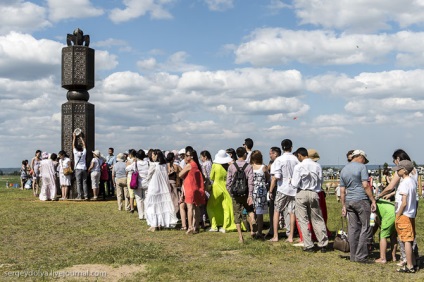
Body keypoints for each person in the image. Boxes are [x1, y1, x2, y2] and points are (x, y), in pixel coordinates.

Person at [379, 149, 420, 268]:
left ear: (398, 159)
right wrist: (391, 194)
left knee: (402, 233)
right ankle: (414, 256)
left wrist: (379, 195)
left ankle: (405, 258)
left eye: (394, 160)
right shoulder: (414, 170)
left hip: (402, 204)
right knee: (411, 232)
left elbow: (391, 186)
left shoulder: (400, 171)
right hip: (413, 202)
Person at [340, 149, 376, 263]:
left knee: (353, 229)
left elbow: (342, 190)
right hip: (361, 199)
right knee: (367, 227)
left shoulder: (344, 169)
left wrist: (343, 205)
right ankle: (361, 256)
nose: (364, 162)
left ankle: (353, 255)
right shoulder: (362, 167)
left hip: (349, 201)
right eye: (364, 159)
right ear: (360, 157)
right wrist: (373, 200)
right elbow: (365, 185)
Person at [291, 147, 328, 252]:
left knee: (303, 220)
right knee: (317, 219)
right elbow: (321, 181)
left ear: (299, 155)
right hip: (314, 192)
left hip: (301, 192)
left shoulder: (299, 166)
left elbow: (294, 183)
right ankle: (323, 243)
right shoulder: (317, 166)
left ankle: (308, 244)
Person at [269, 139, 299, 242]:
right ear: (291, 147)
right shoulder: (295, 159)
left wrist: (271, 190)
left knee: (277, 211)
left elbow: (276, 176)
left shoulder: (279, 160)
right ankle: (290, 236)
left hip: (282, 188)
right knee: (292, 212)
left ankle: (276, 235)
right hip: (294, 189)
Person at [226, 146, 256, 243]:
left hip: (235, 194)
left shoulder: (231, 166)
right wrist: (250, 194)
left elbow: (228, 182)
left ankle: (240, 237)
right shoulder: (249, 166)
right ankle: (252, 226)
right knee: (250, 209)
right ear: (244, 154)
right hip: (246, 193)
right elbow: (251, 181)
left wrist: (230, 191)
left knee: (237, 214)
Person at [392, 160, 417, 273]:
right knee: (410, 239)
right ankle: (414, 262)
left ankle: (409, 265)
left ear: (404, 170)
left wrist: (398, 215)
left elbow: (404, 202)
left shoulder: (404, 183)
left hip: (404, 214)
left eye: (399, 169)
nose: (397, 171)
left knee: (406, 240)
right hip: (411, 214)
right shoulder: (412, 181)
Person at [145, 149, 178, 231]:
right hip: (163, 188)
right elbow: (166, 177)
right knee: (161, 206)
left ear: (156, 155)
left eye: (153, 155)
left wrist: (146, 183)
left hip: (154, 187)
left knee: (152, 206)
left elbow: (148, 176)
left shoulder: (154, 165)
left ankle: (154, 224)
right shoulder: (164, 166)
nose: (152, 157)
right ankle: (159, 223)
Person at [207, 150, 236, 233]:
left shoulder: (215, 165)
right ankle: (225, 226)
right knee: (226, 207)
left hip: (216, 187)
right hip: (226, 186)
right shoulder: (228, 166)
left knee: (210, 207)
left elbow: (211, 177)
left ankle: (214, 225)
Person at [179, 148, 206, 234]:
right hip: (196, 188)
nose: (185, 157)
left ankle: (190, 226)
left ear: (191, 156)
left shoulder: (189, 165)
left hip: (190, 188)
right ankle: (196, 226)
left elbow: (180, 174)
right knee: (196, 207)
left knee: (189, 207)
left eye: (187, 155)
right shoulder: (196, 165)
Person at [250, 150, 269, 239]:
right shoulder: (263, 167)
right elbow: (268, 178)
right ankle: (259, 232)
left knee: (251, 210)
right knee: (260, 212)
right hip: (261, 191)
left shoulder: (250, 167)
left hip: (252, 189)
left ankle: (252, 229)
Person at [127, 150, 150, 220]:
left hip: (137, 183)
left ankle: (141, 215)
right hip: (146, 183)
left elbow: (127, 168)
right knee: (146, 199)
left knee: (138, 199)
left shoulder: (135, 164)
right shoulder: (148, 163)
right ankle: (146, 215)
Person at [266, 146, 281, 238]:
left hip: (276, 188)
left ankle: (273, 230)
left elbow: (273, 178)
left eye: (270, 153)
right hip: (285, 188)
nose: (270, 156)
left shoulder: (276, 163)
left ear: (275, 154)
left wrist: (270, 190)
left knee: (273, 210)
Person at [73, 132, 88, 200]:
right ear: (81, 149)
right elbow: (84, 145)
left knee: (78, 183)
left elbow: (73, 145)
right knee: (84, 182)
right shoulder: (84, 153)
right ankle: (86, 195)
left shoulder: (75, 153)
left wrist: (74, 137)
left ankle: (79, 196)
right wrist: (81, 137)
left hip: (78, 169)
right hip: (84, 168)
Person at [166, 152, 180, 216]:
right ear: (173, 158)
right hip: (173, 183)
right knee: (175, 199)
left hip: (166, 184)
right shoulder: (175, 166)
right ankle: (175, 213)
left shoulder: (165, 166)